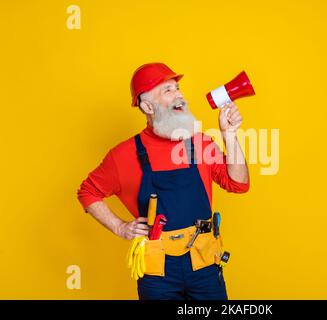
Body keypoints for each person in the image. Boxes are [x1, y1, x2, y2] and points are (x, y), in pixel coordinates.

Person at [77, 62, 250, 300]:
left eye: (177, 87)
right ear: (147, 105)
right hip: (157, 273)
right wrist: (120, 226)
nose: (179, 94)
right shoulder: (123, 155)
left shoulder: (200, 143)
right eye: (167, 90)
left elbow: (239, 184)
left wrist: (230, 136)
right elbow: (87, 192)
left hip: (204, 263)